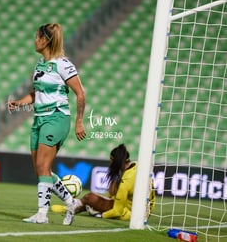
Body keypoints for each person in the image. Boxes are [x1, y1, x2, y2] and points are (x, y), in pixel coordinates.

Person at [8, 23, 86, 225]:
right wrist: (19, 103)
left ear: (46, 40)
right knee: (41, 170)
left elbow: (80, 93)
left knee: (43, 166)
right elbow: (36, 94)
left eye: (37, 37)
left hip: (57, 118)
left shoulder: (63, 64)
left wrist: (79, 121)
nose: (35, 40)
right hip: (39, 120)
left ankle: (42, 214)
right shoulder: (39, 65)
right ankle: (72, 202)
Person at [52, 144, 155, 222]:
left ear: (116, 161)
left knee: (90, 198)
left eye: (111, 161)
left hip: (129, 213)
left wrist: (101, 215)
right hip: (145, 212)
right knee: (91, 200)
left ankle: (71, 207)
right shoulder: (137, 165)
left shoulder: (125, 183)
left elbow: (117, 211)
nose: (110, 164)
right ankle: (74, 206)